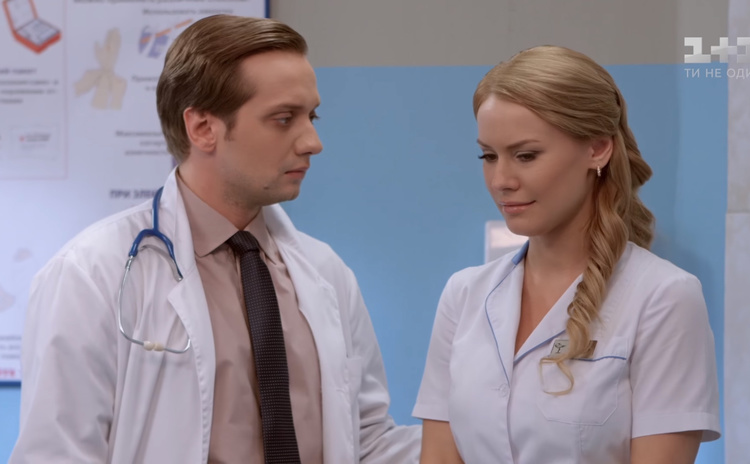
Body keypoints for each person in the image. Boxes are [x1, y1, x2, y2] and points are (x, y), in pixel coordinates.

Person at [11, 14, 420, 464]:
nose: (312, 141)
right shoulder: (90, 275)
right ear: (203, 128)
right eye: (284, 119)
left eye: (312, 116)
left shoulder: (325, 273)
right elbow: (57, 454)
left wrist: (470, 427)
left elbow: (366, 442)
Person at [413, 45, 720, 464]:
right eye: (488, 156)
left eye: (526, 156)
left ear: (598, 149)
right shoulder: (463, 295)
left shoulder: (664, 298)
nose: (501, 180)